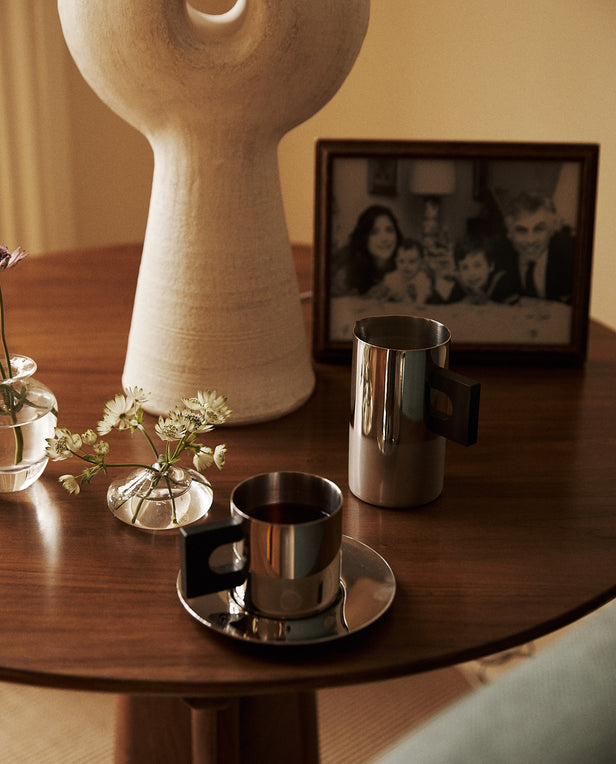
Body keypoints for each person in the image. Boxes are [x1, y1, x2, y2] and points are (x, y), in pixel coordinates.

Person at [493, 192, 575, 303]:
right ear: (509, 234)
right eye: (521, 230)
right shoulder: (497, 255)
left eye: (539, 229)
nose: (530, 240)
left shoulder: (573, 256)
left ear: (551, 230)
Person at [331, 205, 403, 296]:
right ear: (363, 238)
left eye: (389, 230)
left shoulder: (409, 263)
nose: (384, 239)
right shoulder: (346, 272)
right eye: (374, 232)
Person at [454, 238, 519, 305]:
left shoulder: (502, 282)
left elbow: (516, 310)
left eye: (477, 266)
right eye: (465, 268)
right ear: (458, 271)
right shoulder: (458, 285)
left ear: (491, 266)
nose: (472, 273)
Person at [368, 238, 431, 304]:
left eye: (412, 261)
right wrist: (382, 294)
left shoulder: (422, 279)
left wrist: (418, 300)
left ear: (421, 263)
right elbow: (381, 293)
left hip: (413, 311)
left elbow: (421, 297)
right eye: (401, 261)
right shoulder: (392, 277)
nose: (406, 266)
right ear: (396, 261)